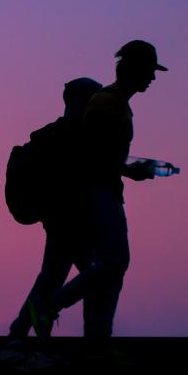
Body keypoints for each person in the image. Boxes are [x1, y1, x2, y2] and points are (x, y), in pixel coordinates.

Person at [37, 40, 166, 341]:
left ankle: (97, 340)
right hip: (96, 192)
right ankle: (50, 307)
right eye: (150, 70)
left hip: (104, 190)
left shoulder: (118, 102)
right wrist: (128, 170)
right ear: (135, 68)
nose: (153, 77)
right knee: (114, 262)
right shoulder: (108, 101)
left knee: (110, 272)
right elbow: (90, 152)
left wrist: (127, 170)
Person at [7, 78, 103, 340]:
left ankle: (21, 328)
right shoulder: (77, 134)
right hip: (75, 218)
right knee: (98, 275)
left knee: (52, 275)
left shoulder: (51, 134)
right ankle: (94, 340)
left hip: (57, 218)